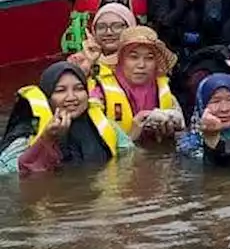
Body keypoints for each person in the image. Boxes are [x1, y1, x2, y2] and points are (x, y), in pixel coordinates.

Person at [1, 62, 134, 176]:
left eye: (79, 89)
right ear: (47, 98)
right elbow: (11, 177)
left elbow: (132, 159)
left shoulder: (104, 125)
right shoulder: (27, 135)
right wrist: (47, 139)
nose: (71, 97)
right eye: (60, 91)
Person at [91, 26, 182, 140]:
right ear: (120, 60)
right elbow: (93, 149)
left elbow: (183, 140)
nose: (141, 65)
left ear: (156, 63)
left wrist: (171, 132)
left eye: (149, 58)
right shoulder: (99, 95)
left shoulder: (165, 93)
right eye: (133, 57)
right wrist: (132, 133)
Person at [68, 3, 138, 79]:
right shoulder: (78, 61)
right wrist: (88, 65)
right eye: (101, 27)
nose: (109, 32)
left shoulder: (142, 61)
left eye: (117, 26)